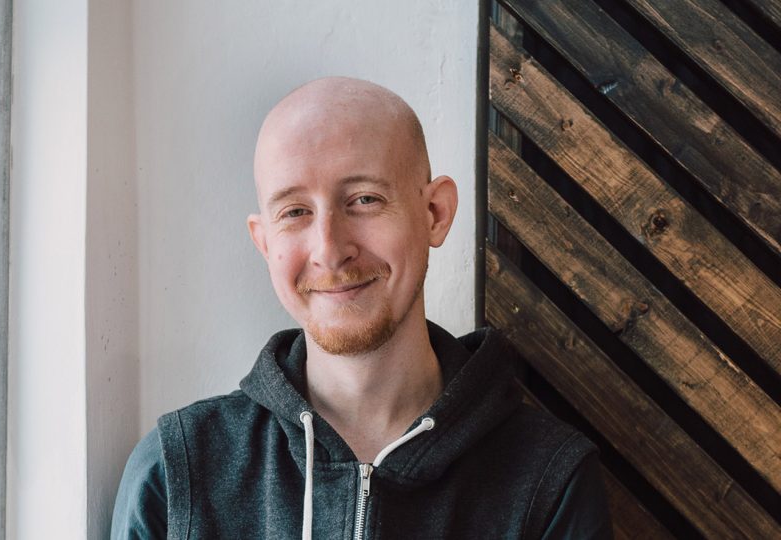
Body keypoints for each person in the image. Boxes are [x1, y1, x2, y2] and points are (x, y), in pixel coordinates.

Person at [111, 77, 612, 539]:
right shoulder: (175, 474)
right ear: (264, 242)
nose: (330, 250)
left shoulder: (550, 481)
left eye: (365, 200)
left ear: (435, 214)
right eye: (295, 212)